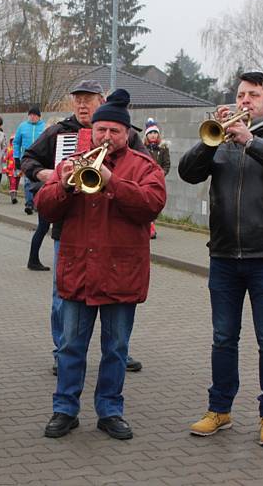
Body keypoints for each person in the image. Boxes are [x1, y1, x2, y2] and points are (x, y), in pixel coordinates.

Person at [178, 71, 263, 447]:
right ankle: (219, 410)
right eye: (240, 94)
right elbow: (187, 172)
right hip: (223, 256)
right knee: (223, 338)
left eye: (253, 95)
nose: (245, 101)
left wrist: (251, 141)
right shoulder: (220, 139)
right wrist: (211, 139)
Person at [36, 89, 166, 440]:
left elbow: (151, 205)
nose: (106, 137)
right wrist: (63, 185)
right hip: (79, 271)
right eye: (101, 130)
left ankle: (110, 411)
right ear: (92, 131)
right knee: (70, 347)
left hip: (120, 274)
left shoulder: (144, 166)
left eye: (114, 131)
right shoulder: (71, 161)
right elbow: (44, 207)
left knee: (116, 349)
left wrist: (111, 181)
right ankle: (65, 409)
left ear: (126, 134)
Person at [21, 80, 148, 376]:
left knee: (116, 296)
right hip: (70, 228)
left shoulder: (124, 133)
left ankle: (118, 349)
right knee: (62, 296)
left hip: (112, 232)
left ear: (101, 101)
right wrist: (48, 174)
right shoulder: (60, 132)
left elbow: (144, 166)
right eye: (77, 99)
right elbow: (28, 158)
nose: (81, 105)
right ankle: (61, 349)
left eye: (88, 100)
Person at [13, 106, 46, 214]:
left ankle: (37, 203)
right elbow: (16, 142)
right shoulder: (22, 126)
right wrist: (16, 157)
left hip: (41, 158)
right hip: (27, 158)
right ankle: (29, 203)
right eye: (30, 115)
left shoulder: (45, 127)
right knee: (28, 181)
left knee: (39, 181)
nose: (32, 117)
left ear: (39, 117)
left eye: (35, 115)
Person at [143, 118, 170, 239]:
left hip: (158, 180)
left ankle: (152, 224)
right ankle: (149, 225)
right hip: (145, 180)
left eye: (155, 133)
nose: (153, 135)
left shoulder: (163, 149)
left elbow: (167, 164)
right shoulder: (143, 148)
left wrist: (161, 174)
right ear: (146, 135)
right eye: (150, 133)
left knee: (156, 202)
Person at [3, 136, 20, 204]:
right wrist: (5, 168)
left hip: (18, 169)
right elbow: (5, 159)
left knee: (17, 183)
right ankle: (13, 197)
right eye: (13, 140)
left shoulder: (20, 149)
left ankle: (15, 195)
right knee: (12, 182)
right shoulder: (8, 149)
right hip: (10, 169)